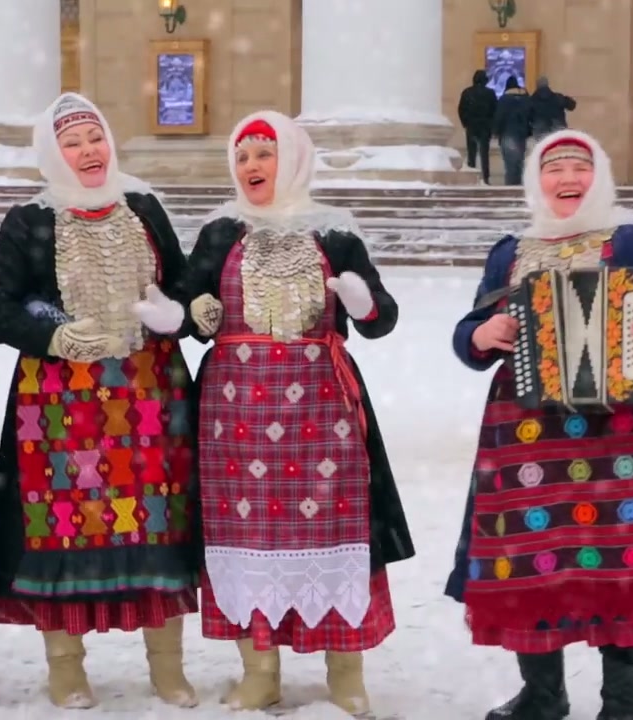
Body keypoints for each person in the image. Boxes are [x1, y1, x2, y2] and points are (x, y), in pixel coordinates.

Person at [444, 129, 633, 720]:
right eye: (554, 167)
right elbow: (470, 331)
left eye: (580, 166)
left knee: (632, 561)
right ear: (536, 180)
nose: (568, 178)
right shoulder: (511, 251)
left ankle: (623, 705)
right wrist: (481, 334)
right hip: (529, 430)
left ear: (599, 175)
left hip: (631, 427)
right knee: (530, 557)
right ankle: (543, 696)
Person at [0, 92, 200, 710]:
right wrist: (50, 335)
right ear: (53, 154)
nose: (87, 151)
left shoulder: (142, 206)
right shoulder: (31, 220)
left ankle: (167, 665)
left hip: (149, 393)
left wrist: (175, 313)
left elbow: (181, 283)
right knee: (61, 531)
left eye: (94, 138)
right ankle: (66, 667)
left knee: (157, 522)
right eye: (71, 143)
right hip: (59, 404)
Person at [184, 110, 415, 716]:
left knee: (337, 530)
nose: (252, 166)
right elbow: (187, 305)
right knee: (245, 536)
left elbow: (382, 317)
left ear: (293, 159)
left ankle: (346, 671)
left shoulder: (334, 234)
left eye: (265, 153)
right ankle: (259, 671)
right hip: (233, 414)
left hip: (321, 408)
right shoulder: (220, 232)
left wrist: (363, 303)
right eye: (242, 156)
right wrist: (191, 313)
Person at [458, 69, 498, 184]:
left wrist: (465, 123)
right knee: (484, 153)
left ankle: (471, 177)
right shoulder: (490, 93)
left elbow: (461, 109)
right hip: (485, 126)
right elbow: (495, 110)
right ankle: (485, 178)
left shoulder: (467, 92)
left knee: (471, 152)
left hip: (472, 125)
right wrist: (492, 125)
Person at [493, 76, 532, 186]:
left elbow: (499, 117)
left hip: (507, 134)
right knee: (519, 161)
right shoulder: (525, 99)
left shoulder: (504, 100)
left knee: (510, 163)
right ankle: (519, 185)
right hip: (521, 135)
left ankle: (510, 187)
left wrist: (495, 131)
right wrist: (529, 131)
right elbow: (530, 116)